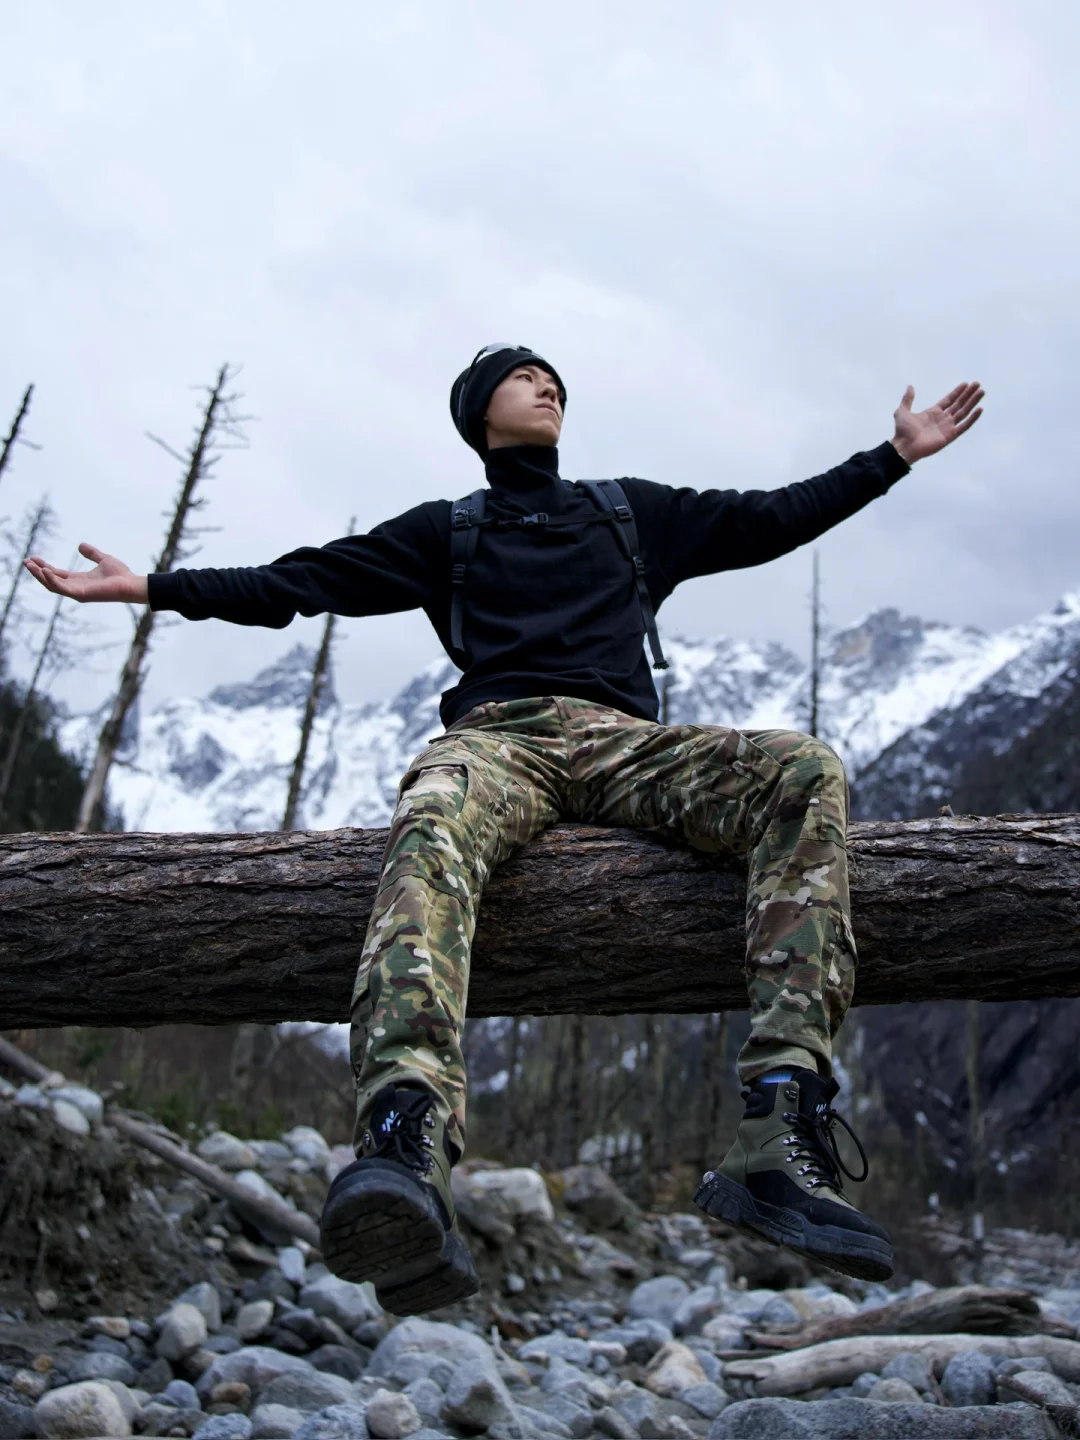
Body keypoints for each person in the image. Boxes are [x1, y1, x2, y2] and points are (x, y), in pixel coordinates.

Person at [27, 346, 983, 1313]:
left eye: (557, 378)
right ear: (479, 413)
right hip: (499, 741)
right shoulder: (448, 532)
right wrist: (149, 586)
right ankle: (406, 1141)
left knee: (801, 769)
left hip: (624, 747)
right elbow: (298, 582)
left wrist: (892, 457)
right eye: (525, 377)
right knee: (431, 817)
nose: (549, 385)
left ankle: (779, 1130)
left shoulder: (629, 511)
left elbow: (767, 519)